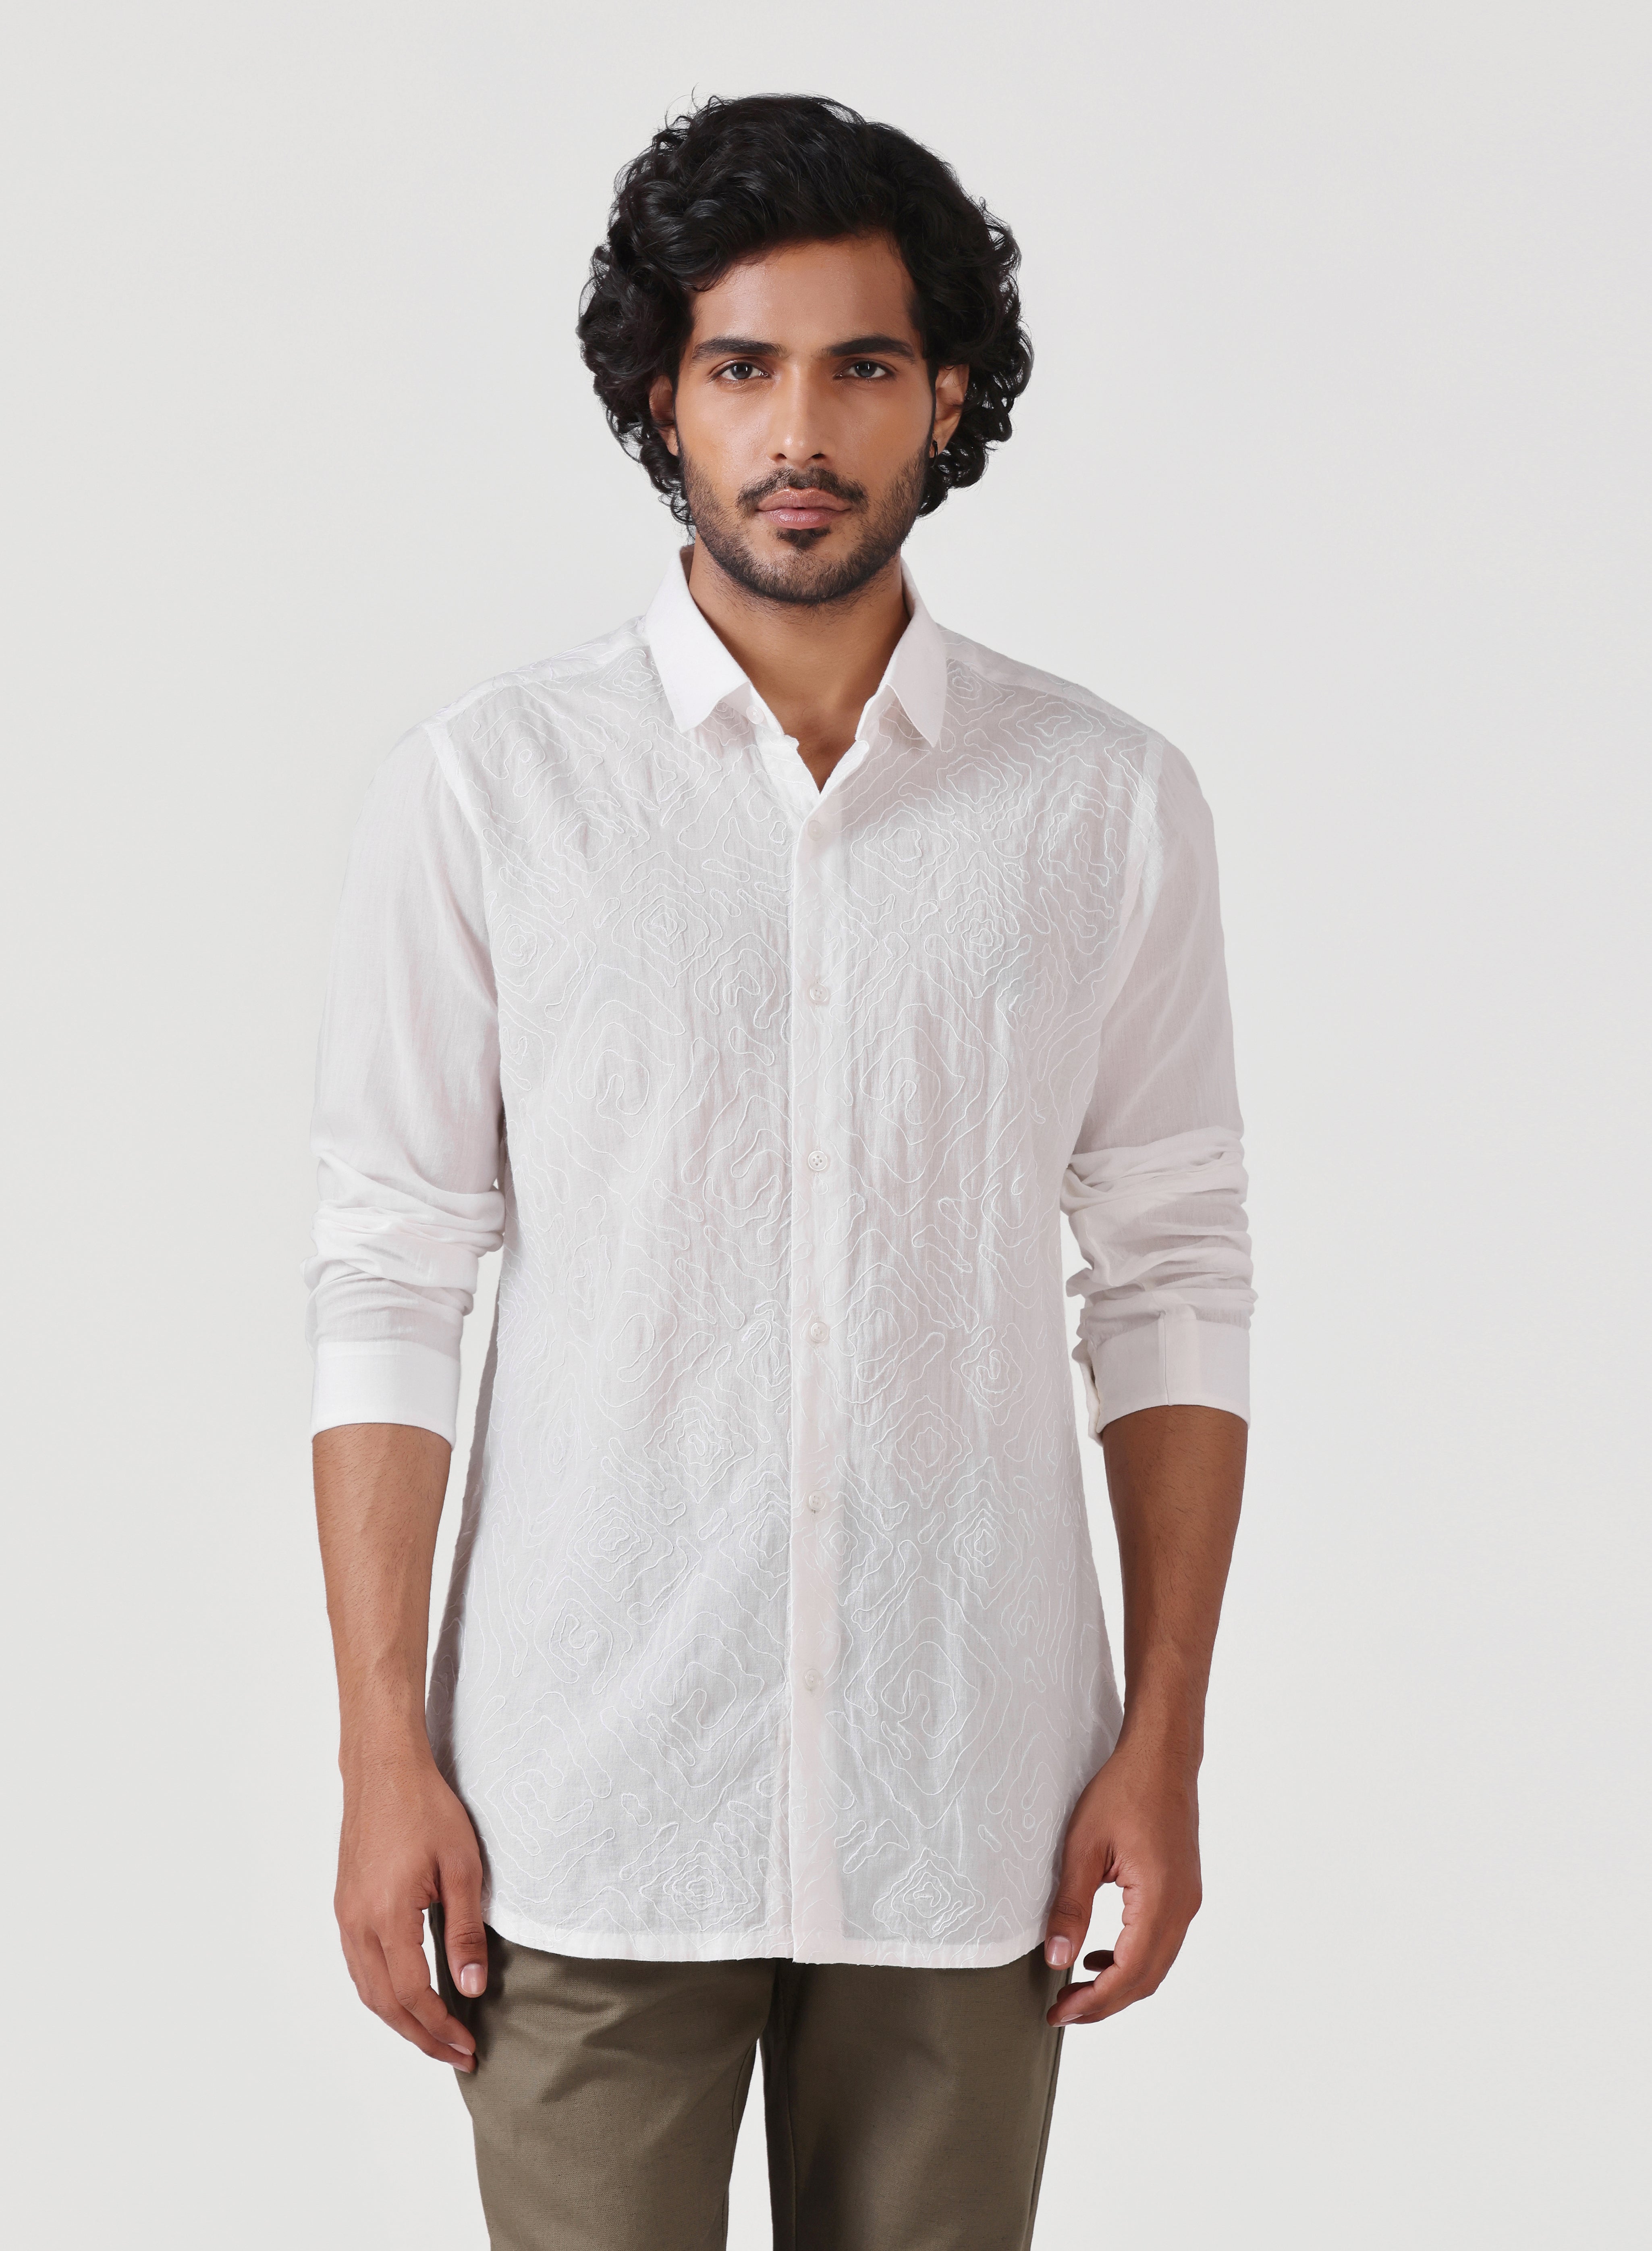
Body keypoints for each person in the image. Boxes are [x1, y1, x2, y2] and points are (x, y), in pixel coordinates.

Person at [305, 92, 1254, 2251]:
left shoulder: (1101, 805)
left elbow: (1173, 1273)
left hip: (971, 1797)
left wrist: (1163, 1740)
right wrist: (381, 1754)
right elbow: (389, 1273)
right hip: (582, 1798)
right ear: (664, 393)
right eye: (741, 366)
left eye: (861, 366)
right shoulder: (491, 796)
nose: (799, 431)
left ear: (947, 397)